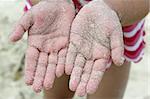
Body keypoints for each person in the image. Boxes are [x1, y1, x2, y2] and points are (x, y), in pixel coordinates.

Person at [9, 0, 149, 99]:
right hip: (55, 20)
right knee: (55, 87)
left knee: (107, 86)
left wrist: (113, 7)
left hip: (115, 16)